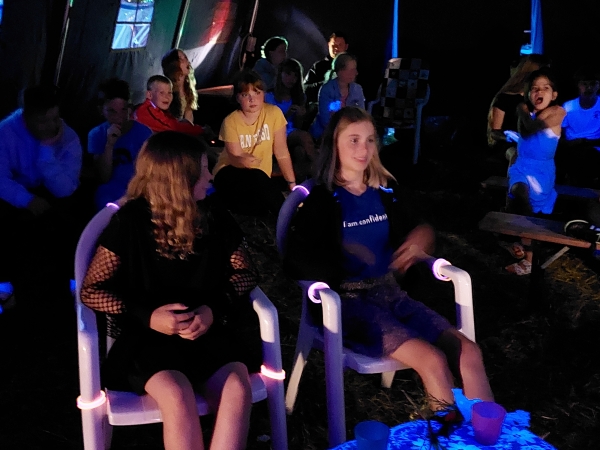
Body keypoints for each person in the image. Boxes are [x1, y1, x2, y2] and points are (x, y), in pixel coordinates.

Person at [284, 106, 494, 411]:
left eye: (370, 140)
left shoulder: (385, 191)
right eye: (353, 140)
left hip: (392, 294)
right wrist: (344, 258)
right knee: (433, 361)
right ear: (334, 145)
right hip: (349, 305)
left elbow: (419, 225)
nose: (364, 148)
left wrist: (423, 234)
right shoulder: (322, 200)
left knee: (469, 352)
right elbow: (295, 257)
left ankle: (488, 433)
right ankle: (448, 434)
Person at [80, 131, 262, 450]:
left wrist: (213, 309)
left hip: (205, 329)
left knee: (236, 388)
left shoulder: (213, 215)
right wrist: (147, 316)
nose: (210, 176)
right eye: (203, 169)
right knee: (177, 396)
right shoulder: (130, 222)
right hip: (147, 339)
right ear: (179, 179)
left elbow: (246, 272)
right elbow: (92, 290)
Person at [505, 68, 566, 275]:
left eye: (545, 88)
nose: (539, 92)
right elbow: (523, 134)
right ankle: (521, 244)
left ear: (554, 94)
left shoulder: (558, 112)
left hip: (541, 171)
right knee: (518, 194)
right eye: (534, 88)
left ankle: (528, 253)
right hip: (522, 166)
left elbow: (530, 129)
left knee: (529, 207)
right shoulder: (527, 112)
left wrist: (521, 110)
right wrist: (523, 110)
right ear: (527, 93)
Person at [213, 69, 296, 215]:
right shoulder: (231, 121)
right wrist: (243, 160)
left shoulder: (274, 114)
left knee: (262, 186)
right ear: (238, 97)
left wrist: (292, 183)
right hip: (230, 172)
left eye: (257, 93)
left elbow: (281, 152)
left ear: (264, 94)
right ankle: (286, 217)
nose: (252, 100)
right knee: (257, 180)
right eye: (246, 95)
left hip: (260, 176)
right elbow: (234, 157)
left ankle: (286, 215)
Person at [88, 78, 152, 210]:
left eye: (124, 110)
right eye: (112, 111)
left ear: (130, 109)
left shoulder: (144, 133)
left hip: (138, 190)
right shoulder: (96, 134)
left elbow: (149, 172)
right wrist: (109, 145)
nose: (119, 117)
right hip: (110, 192)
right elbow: (103, 177)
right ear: (101, 110)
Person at [487, 54, 552, 169]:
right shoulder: (505, 98)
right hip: (507, 145)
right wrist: (509, 136)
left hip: (531, 143)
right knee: (517, 155)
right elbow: (494, 132)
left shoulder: (540, 99)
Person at [265, 58, 316, 181]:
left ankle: (299, 186)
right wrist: (287, 115)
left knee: (300, 151)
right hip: (275, 134)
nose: (291, 79)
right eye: (288, 74)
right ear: (280, 74)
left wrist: (300, 116)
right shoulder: (269, 96)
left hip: (291, 134)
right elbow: (270, 124)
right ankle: (322, 169)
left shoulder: (299, 97)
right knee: (304, 137)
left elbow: (297, 126)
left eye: (295, 76)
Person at [557, 67, 600, 187]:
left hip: (594, 150)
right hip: (571, 148)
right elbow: (560, 133)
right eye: (584, 84)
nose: (589, 88)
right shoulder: (568, 106)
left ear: (598, 85)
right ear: (578, 85)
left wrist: (586, 142)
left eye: (593, 84)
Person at [310, 53, 365, 141]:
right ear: (340, 72)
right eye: (352, 70)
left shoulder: (357, 89)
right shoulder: (326, 90)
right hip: (326, 133)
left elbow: (361, 115)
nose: (356, 73)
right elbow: (325, 120)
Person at [134, 75, 205, 136]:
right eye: (162, 93)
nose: (167, 97)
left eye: (169, 93)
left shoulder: (159, 110)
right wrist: (202, 130)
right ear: (149, 95)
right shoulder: (146, 111)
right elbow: (174, 128)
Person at [305, 31, 349, 105]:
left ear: (346, 47)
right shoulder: (319, 66)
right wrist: (326, 83)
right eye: (333, 45)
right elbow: (305, 90)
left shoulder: (352, 66)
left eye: (340, 45)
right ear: (328, 45)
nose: (336, 48)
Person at [161, 48, 199, 123]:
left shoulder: (188, 90)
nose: (187, 61)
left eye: (185, 58)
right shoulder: (167, 91)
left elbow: (189, 121)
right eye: (181, 59)